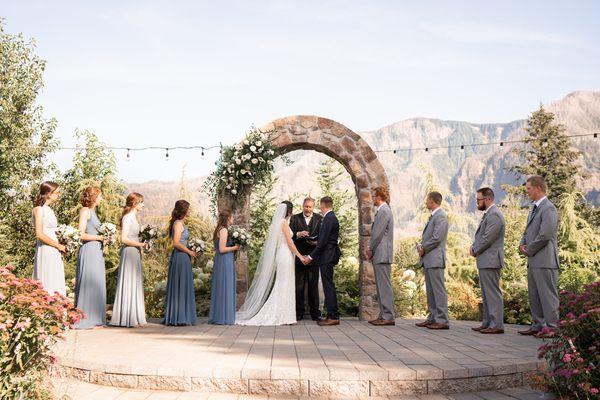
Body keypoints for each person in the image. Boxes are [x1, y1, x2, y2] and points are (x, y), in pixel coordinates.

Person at [236, 201, 306, 326]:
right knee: (284, 284)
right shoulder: (283, 222)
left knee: (285, 283)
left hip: (284, 254)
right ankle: (282, 315)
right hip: (285, 255)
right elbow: (290, 243)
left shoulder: (280, 223)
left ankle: (286, 315)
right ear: (289, 211)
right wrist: (300, 256)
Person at [518, 176, 559, 338]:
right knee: (534, 295)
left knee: (548, 296)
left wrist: (528, 249)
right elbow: (528, 231)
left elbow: (545, 235)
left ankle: (553, 328)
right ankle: (538, 326)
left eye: (528, 188)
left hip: (545, 261)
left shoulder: (548, 208)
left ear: (538, 188)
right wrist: (522, 243)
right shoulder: (534, 208)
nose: (526, 191)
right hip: (534, 260)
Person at [470, 187, 505, 334]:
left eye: (479, 200)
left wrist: (474, 248)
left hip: (491, 259)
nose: (477, 203)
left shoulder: (495, 215)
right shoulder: (488, 214)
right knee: (485, 293)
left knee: (492, 292)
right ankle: (487, 322)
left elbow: (487, 238)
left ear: (487, 199)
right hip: (486, 260)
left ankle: (496, 324)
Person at [110, 193, 147, 328]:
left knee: (135, 282)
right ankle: (127, 317)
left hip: (135, 252)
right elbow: (124, 239)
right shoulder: (127, 218)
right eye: (141, 202)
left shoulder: (134, 218)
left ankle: (135, 315)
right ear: (134, 203)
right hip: (129, 252)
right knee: (129, 281)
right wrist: (141, 244)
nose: (143, 205)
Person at [303, 196, 341, 326]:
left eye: (320, 205)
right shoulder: (330, 218)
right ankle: (332, 315)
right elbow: (322, 237)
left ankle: (333, 316)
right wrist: (312, 238)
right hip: (328, 256)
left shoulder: (329, 219)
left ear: (323, 205)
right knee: (328, 285)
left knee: (328, 286)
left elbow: (323, 242)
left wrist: (310, 257)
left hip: (327, 256)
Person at [415, 191, 450, 330]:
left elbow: (437, 238)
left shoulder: (441, 216)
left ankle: (442, 320)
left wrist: (423, 247)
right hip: (429, 259)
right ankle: (432, 317)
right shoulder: (434, 216)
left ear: (432, 200)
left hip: (435, 259)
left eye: (427, 199)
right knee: (430, 291)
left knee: (438, 290)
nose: (426, 202)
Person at [75, 187, 107, 329]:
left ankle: (95, 318)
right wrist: (99, 237)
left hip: (97, 250)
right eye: (99, 196)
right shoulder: (85, 211)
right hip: (88, 250)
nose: (101, 198)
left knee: (97, 282)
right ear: (93, 197)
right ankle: (85, 318)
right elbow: (80, 234)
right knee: (89, 281)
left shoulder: (94, 212)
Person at [164, 200, 197, 326]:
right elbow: (176, 243)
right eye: (188, 209)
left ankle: (182, 315)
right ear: (184, 210)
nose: (190, 211)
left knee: (183, 284)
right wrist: (189, 252)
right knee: (181, 284)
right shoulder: (178, 223)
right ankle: (179, 316)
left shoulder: (181, 223)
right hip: (181, 257)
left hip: (183, 256)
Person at [366, 186, 395, 326]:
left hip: (382, 253)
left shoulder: (384, 211)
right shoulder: (382, 211)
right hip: (380, 253)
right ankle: (383, 314)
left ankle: (388, 316)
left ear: (379, 197)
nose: (372, 198)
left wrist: (370, 249)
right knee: (381, 286)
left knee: (384, 286)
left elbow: (377, 234)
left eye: (374, 196)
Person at [290, 197, 322, 321]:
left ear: (313, 207)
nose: (308, 209)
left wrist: (316, 243)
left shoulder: (320, 219)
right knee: (299, 286)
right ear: (303, 206)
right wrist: (298, 234)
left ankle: (315, 313)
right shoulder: (294, 218)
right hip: (299, 256)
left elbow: (323, 237)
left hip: (313, 257)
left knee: (313, 286)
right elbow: (290, 236)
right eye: (306, 206)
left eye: (310, 207)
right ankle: (299, 312)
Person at [32, 181, 67, 296]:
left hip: (55, 249)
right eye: (57, 193)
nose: (59, 195)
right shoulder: (39, 209)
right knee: (47, 276)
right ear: (49, 194)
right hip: (46, 248)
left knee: (55, 275)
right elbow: (39, 234)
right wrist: (58, 245)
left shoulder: (49, 210)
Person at [208, 210, 240, 325]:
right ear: (227, 218)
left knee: (221, 286)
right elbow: (222, 249)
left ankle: (220, 314)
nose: (233, 219)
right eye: (231, 217)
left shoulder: (218, 229)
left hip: (221, 261)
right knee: (225, 286)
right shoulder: (224, 230)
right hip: (225, 260)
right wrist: (235, 247)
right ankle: (224, 316)